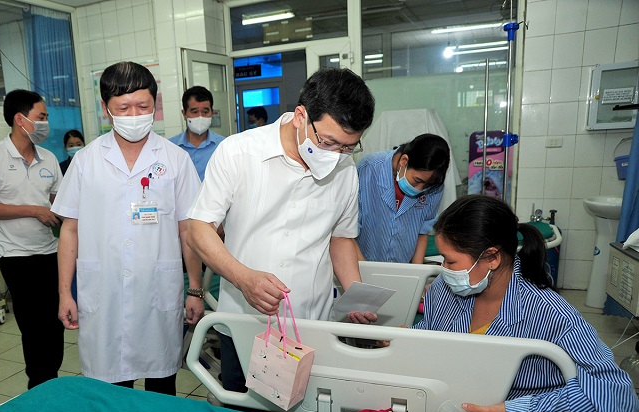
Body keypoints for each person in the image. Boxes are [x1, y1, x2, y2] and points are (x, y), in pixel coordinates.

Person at [187, 68, 376, 393]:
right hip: (247, 322)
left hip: (312, 324)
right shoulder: (239, 153)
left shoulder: (345, 170)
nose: (336, 155)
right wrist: (244, 278)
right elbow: (199, 228)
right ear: (301, 116)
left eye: (348, 147)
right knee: (243, 411)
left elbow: (341, 238)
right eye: (328, 142)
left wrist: (354, 292)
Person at [415, 195, 639, 412]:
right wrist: (406, 341)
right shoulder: (443, 291)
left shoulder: (550, 314)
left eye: (450, 261)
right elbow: (432, 333)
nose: (444, 269)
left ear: (492, 258)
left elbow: (615, 396)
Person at [52, 61, 204, 395]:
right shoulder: (86, 161)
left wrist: (194, 288)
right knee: (109, 393)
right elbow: (69, 230)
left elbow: (188, 231)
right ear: (106, 108)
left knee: (161, 388)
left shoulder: (175, 159)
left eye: (143, 106)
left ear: (155, 105)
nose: (134, 115)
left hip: (157, 291)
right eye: (124, 108)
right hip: (103, 293)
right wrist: (65, 292)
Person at [0, 89, 66, 389]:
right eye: (41, 117)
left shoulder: (48, 158)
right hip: (15, 255)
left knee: (55, 323)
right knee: (33, 325)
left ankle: (51, 381)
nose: (45, 123)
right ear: (20, 118)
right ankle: (38, 386)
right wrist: (33, 210)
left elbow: (59, 203)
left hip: (50, 251)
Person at [356, 133, 450, 264]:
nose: (419, 189)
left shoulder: (434, 186)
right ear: (404, 161)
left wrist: (416, 271)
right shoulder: (368, 169)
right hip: (361, 262)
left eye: (426, 185)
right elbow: (349, 230)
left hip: (403, 266)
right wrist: (364, 271)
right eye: (417, 180)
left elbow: (422, 232)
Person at [169, 86, 225, 182]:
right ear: (184, 114)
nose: (200, 116)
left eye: (205, 112)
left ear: (212, 112)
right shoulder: (170, 147)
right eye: (194, 112)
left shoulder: (223, 146)